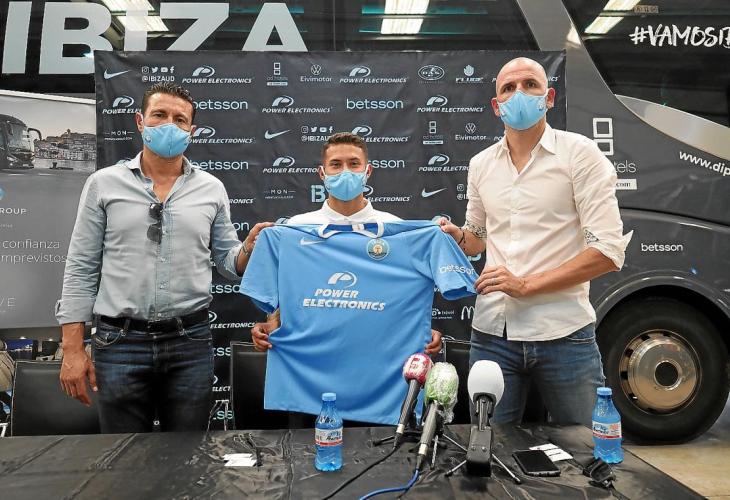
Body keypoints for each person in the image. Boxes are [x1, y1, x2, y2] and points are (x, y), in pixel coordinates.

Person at [56, 82, 270, 433]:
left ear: (191, 131)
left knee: (187, 454)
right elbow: (81, 267)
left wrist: (247, 248)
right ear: (140, 121)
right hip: (119, 342)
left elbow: (229, 264)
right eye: (159, 115)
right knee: (124, 455)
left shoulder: (211, 188)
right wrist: (72, 348)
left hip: (189, 341)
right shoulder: (103, 184)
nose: (170, 124)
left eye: (179, 119)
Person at [440, 57, 631, 426]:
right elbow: (477, 238)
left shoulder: (580, 154)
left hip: (564, 334)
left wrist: (526, 285)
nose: (519, 94)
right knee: (487, 449)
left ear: (549, 97)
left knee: (588, 446)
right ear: (496, 105)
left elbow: (608, 252)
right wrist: (457, 237)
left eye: (530, 85)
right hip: (492, 335)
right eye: (508, 88)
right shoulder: (481, 164)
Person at [250, 132, 442, 355]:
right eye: (336, 165)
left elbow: (407, 294)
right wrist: (271, 323)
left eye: (353, 164)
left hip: (375, 352)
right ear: (322, 173)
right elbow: (281, 288)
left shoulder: (396, 229)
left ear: (367, 171)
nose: (345, 172)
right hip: (313, 353)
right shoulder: (295, 228)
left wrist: (419, 329)